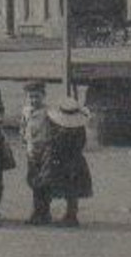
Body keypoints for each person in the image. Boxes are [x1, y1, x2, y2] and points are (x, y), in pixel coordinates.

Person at [36, 96, 93, 228]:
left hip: (62, 162)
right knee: (72, 190)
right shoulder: (79, 129)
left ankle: (66, 215)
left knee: (63, 187)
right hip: (75, 162)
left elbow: (55, 145)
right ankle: (70, 215)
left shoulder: (59, 130)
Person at [19, 81, 54, 224]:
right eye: (31, 97)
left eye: (37, 97)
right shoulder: (26, 111)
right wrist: (24, 139)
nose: (34, 100)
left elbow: (52, 130)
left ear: (43, 96)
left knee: (44, 181)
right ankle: (36, 211)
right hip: (31, 150)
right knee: (33, 181)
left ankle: (45, 212)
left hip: (45, 150)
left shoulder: (48, 112)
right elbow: (23, 127)